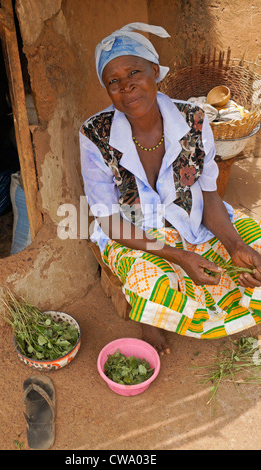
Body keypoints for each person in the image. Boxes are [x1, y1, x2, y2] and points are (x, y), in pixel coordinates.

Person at [79, 22, 261, 354]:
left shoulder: (194, 121)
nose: (127, 86)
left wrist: (233, 244)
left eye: (135, 71)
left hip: (192, 223)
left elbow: (208, 197)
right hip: (134, 235)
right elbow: (108, 220)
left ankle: (205, 306)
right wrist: (177, 255)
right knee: (149, 281)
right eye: (113, 81)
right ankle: (152, 323)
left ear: (155, 71)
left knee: (254, 247)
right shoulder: (95, 134)